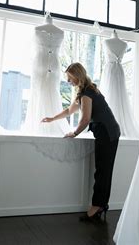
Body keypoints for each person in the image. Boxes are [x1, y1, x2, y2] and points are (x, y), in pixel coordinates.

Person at [42, 62, 121, 221]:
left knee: (102, 171)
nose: (69, 82)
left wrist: (74, 132)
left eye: (70, 79)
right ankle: (101, 205)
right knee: (104, 171)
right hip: (108, 132)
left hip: (107, 134)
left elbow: (85, 118)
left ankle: (97, 206)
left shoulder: (87, 93)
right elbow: (69, 111)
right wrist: (52, 119)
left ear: (77, 76)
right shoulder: (85, 91)